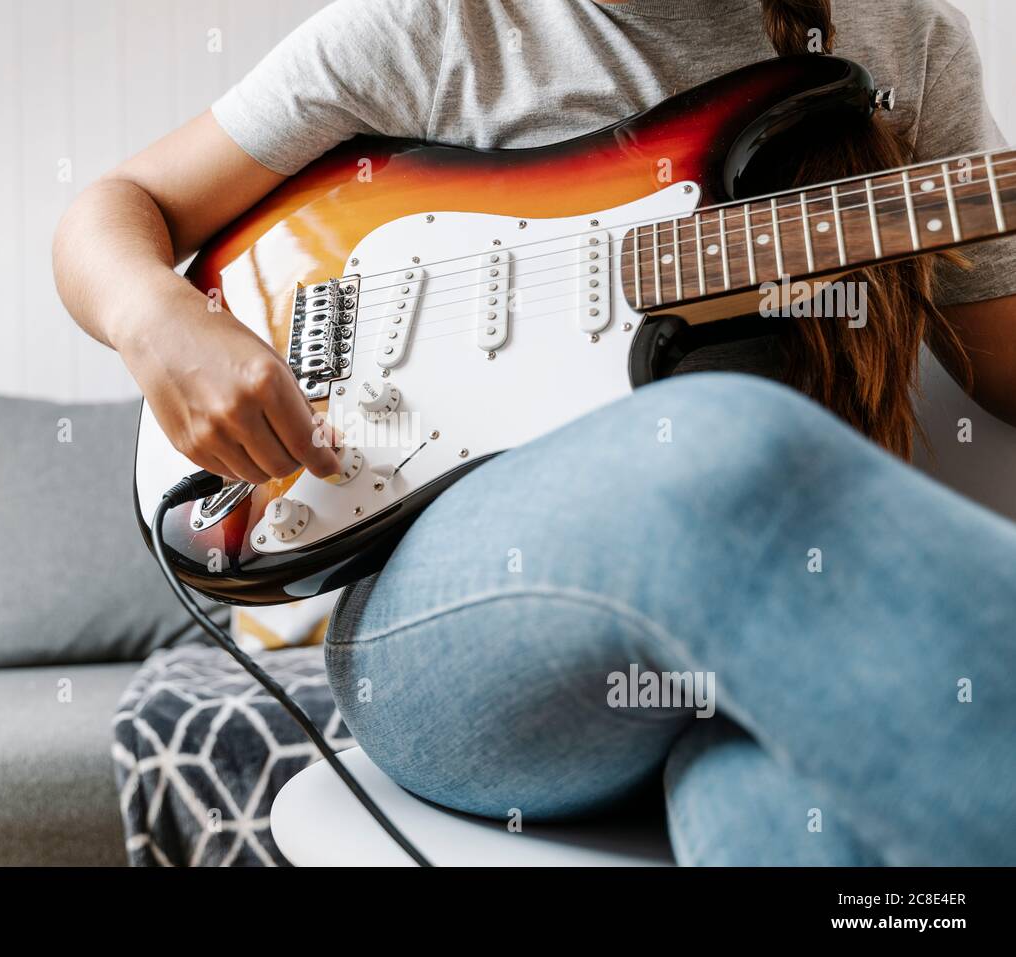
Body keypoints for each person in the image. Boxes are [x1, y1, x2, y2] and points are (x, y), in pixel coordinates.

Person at [54, 0, 1016, 864]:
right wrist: (157, 319)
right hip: (454, 654)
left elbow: (1004, 368)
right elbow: (111, 211)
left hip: (770, 644)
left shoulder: (903, 33)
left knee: (771, 800)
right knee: (721, 439)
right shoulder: (438, 24)